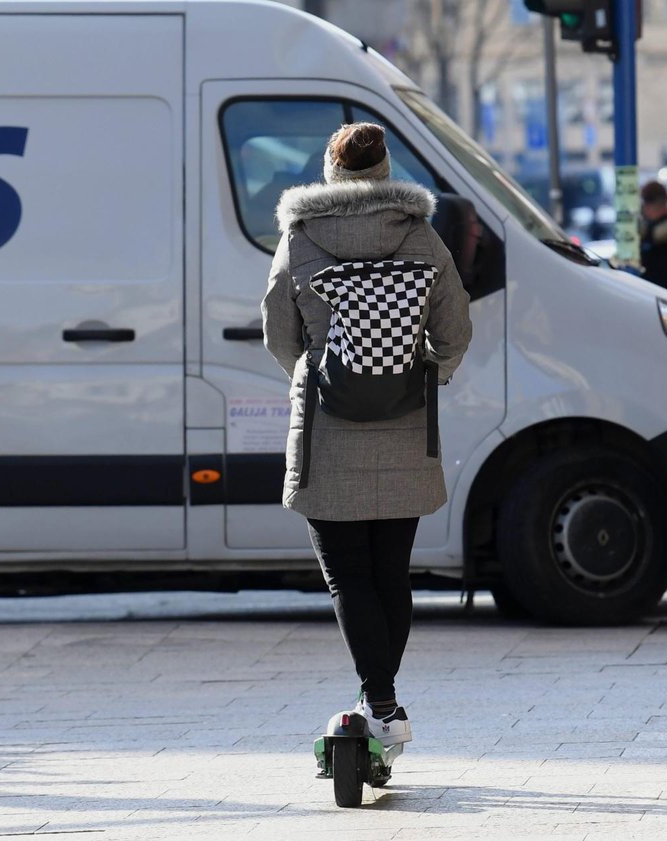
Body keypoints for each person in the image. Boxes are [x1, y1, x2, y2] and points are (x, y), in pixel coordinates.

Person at [261, 123, 472, 747]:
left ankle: (379, 700)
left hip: (328, 428)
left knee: (347, 576)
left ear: (331, 170)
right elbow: (455, 332)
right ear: (384, 171)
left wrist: (319, 371)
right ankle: (382, 701)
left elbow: (278, 330)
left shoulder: (299, 237)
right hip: (406, 425)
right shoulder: (420, 235)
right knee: (390, 575)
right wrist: (423, 373)